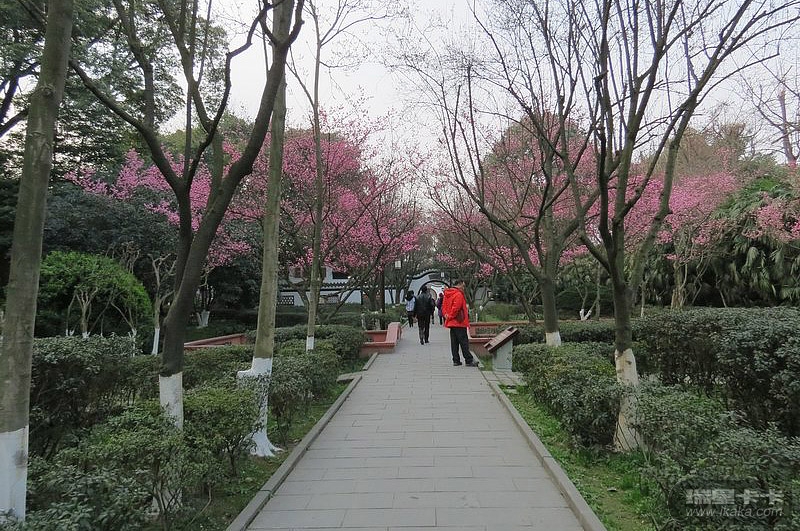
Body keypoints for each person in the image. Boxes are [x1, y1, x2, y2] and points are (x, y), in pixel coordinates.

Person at [443, 279, 478, 367]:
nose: (463, 288)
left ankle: (456, 360)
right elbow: (456, 308)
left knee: (454, 342)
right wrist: (451, 316)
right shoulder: (458, 294)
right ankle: (469, 360)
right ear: (459, 284)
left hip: (451, 323)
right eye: (463, 285)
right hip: (459, 322)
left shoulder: (447, 294)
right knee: (463, 342)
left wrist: (446, 315)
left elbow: (443, 307)